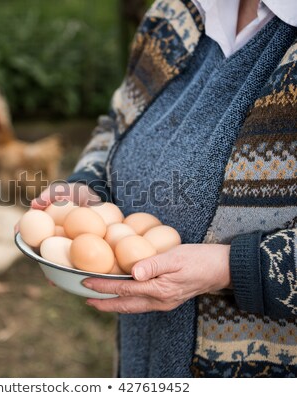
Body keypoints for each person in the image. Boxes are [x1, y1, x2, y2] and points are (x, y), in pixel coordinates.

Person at [32, 0, 297, 377]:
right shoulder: (175, 11)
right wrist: (89, 185)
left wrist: (233, 268)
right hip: (144, 345)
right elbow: (119, 119)